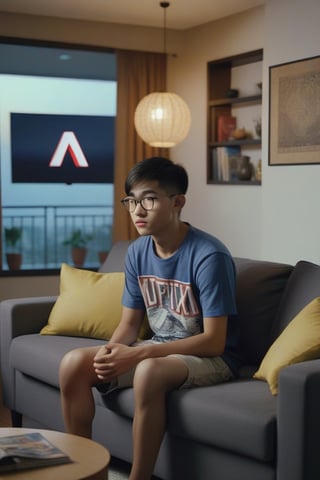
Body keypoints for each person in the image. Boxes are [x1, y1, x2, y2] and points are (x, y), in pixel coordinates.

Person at [59, 156, 240, 480]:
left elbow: (215, 341)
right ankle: (85, 473)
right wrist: (111, 353)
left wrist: (139, 353)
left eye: (149, 200)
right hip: (160, 346)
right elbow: (129, 324)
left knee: (148, 371)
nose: (137, 211)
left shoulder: (209, 256)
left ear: (177, 202)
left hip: (212, 357)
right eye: (131, 201)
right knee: (73, 364)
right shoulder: (138, 252)